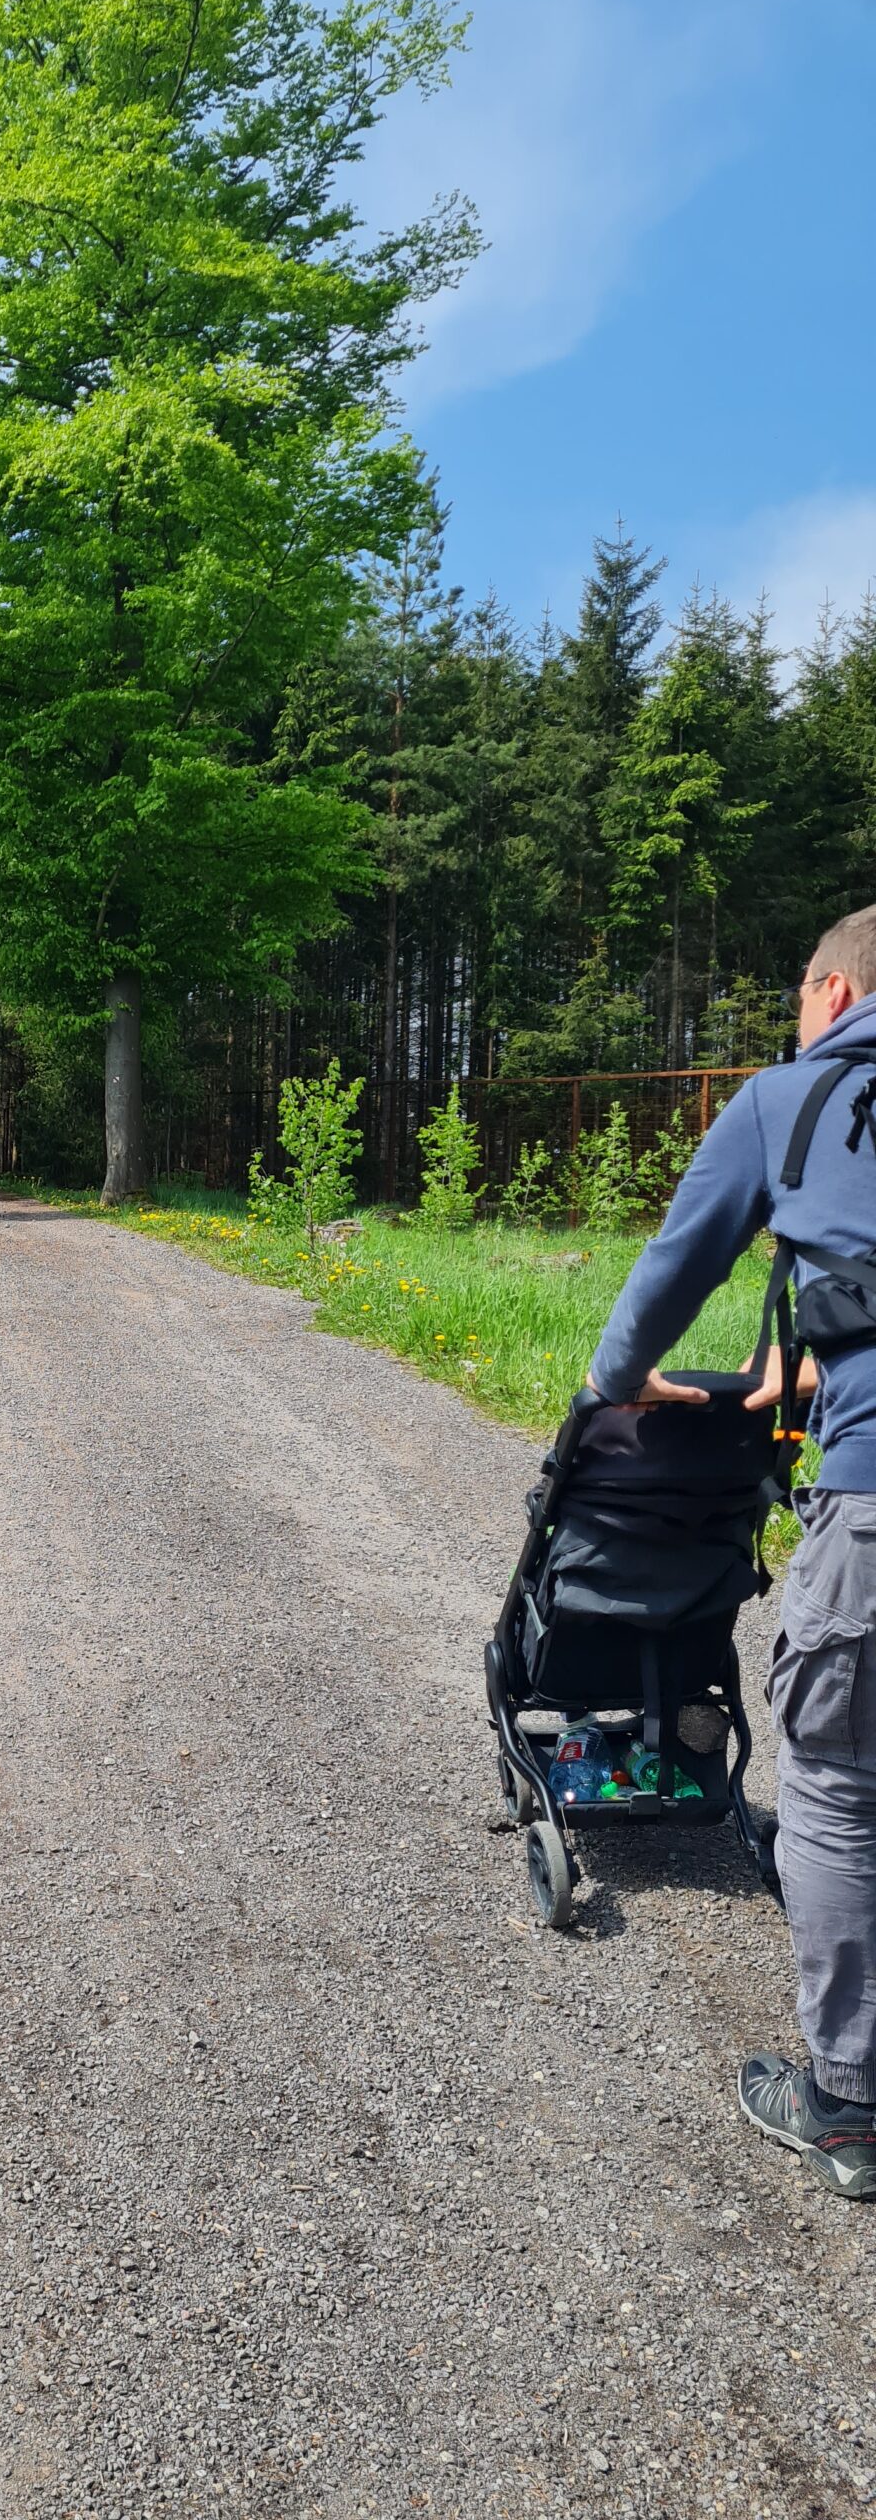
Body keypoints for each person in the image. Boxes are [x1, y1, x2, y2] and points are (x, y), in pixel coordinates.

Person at [585, 904, 876, 2200]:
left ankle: (848, 2102)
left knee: (834, 1781)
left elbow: (673, 1266)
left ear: (830, 992)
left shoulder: (795, 1100)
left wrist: (620, 1383)